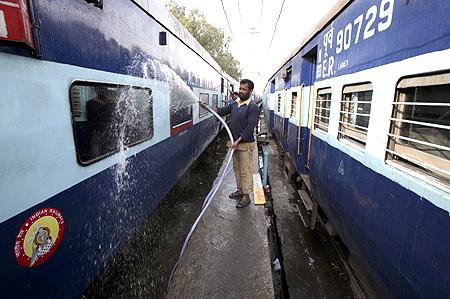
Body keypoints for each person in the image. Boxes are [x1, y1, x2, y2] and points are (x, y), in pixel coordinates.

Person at [200, 79, 259, 208]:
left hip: (244, 145)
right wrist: (207, 107)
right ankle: (240, 190)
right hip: (234, 143)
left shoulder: (252, 107)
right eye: (240, 88)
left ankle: (246, 196)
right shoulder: (235, 104)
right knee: (237, 170)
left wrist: (237, 141)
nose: (241, 91)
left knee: (245, 171)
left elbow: (250, 128)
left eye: (244, 89)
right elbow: (221, 111)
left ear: (250, 91)